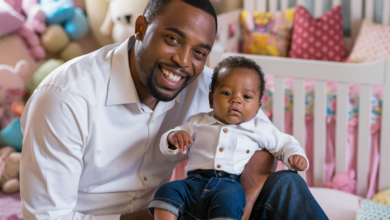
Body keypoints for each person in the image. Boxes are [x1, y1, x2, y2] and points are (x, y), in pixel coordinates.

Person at [20, 0, 328, 219]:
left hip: (190, 210)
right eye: (172, 39)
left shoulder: (208, 88)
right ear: (141, 28)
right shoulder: (66, 98)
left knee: (287, 184)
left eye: (198, 52)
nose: (183, 61)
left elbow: (261, 139)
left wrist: (239, 210)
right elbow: (48, 217)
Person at [148, 56, 311, 220]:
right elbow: (167, 144)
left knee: (232, 200)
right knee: (167, 190)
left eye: (246, 97)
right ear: (211, 99)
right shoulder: (197, 121)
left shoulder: (259, 128)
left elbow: (285, 143)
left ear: (257, 108)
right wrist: (172, 138)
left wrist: (294, 156)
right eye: (227, 93)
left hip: (229, 185)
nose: (235, 100)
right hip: (192, 184)